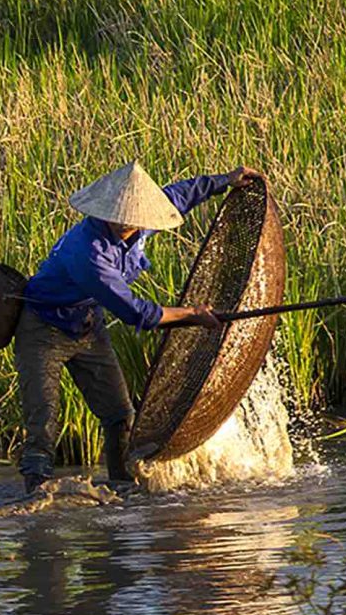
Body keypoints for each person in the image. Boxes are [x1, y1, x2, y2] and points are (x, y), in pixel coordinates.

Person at [16, 162, 258, 488]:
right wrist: (191, 314)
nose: (133, 223)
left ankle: (123, 490)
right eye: (125, 217)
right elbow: (135, 312)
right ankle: (35, 497)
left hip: (86, 326)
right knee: (43, 419)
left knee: (119, 414)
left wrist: (225, 181)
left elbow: (179, 196)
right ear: (110, 213)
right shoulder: (89, 254)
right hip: (43, 330)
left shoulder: (139, 225)